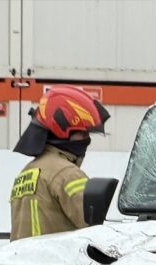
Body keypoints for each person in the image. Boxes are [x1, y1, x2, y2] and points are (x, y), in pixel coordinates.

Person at [10, 85, 110, 240]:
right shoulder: (67, 174)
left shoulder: (27, 172)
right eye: (82, 133)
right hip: (54, 263)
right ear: (62, 130)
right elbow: (97, 230)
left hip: (22, 262)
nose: (86, 139)